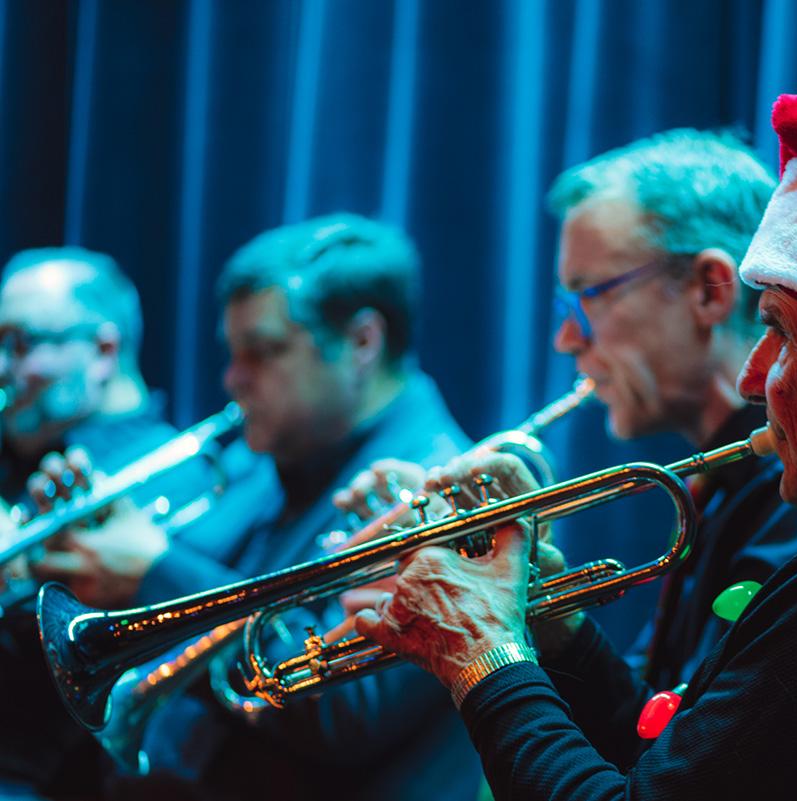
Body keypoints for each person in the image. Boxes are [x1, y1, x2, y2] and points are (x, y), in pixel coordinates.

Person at [351, 96, 797, 799]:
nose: (752, 376)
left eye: (782, 332)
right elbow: (679, 759)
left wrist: (484, 650)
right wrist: (547, 619)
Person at [337, 130, 797, 770]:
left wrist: (483, 647)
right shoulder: (717, 486)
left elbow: (687, 778)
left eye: (588, 295)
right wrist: (536, 602)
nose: (567, 338)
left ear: (709, 289)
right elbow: (650, 740)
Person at [32, 215, 480, 801]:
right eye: (233, 352)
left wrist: (153, 576)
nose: (233, 377)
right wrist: (82, 539)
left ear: (362, 342)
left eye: (263, 351)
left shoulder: (446, 492)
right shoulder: (268, 460)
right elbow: (176, 564)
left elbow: (345, 712)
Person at [0, 248, 211, 800]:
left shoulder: (175, 473)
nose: (1, 368)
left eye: (19, 344)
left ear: (102, 349)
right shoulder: (20, 458)